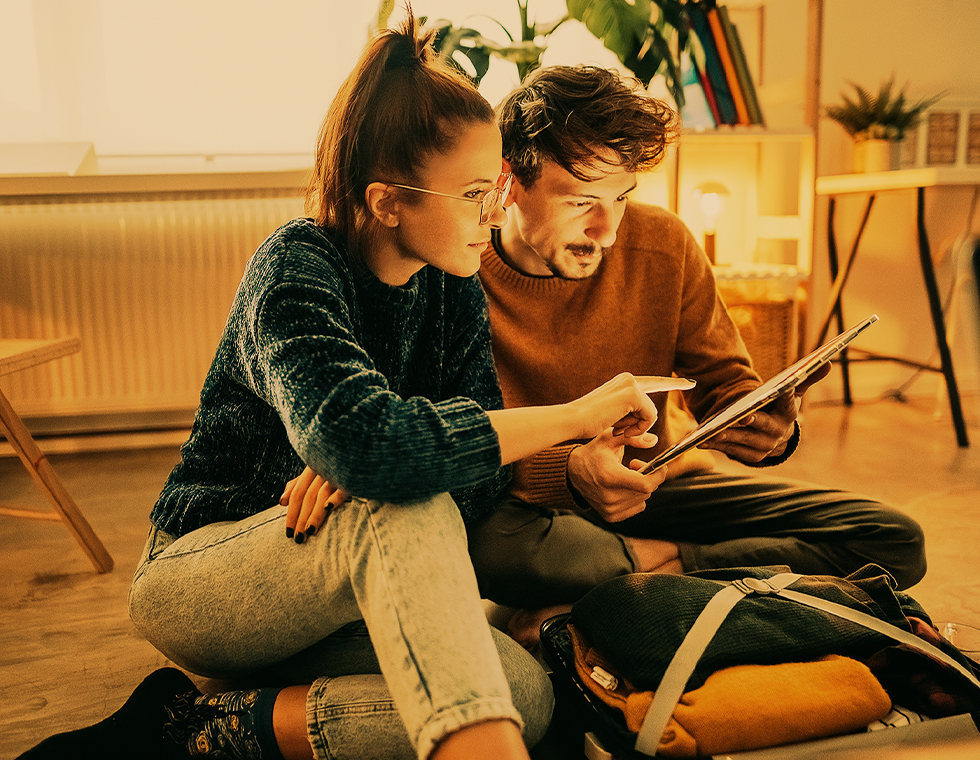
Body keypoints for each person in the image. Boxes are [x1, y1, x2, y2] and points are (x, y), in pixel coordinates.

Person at [16, 19, 667, 760]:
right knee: (398, 506)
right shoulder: (294, 267)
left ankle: (210, 729)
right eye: (477, 194)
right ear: (388, 202)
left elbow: (475, 490)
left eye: (499, 192)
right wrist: (566, 420)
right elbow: (371, 446)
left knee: (527, 694)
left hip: (341, 586)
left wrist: (379, 454)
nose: (495, 216)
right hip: (205, 574)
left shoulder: (452, 289)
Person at [465, 64, 928, 642]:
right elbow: (457, 446)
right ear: (507, 181)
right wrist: (571, 471)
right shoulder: (457, 268)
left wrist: (764, 425)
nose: (606, 231)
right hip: (526, 504)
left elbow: (724, 381)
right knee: (481, 545)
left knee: (893, 539)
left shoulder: (663, 244)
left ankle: (652, 574)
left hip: (658, 487)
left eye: (623, 198)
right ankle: (686, 580)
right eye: (582, 201)